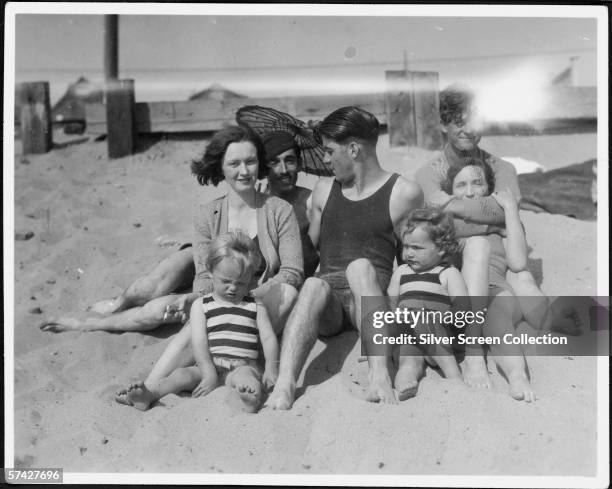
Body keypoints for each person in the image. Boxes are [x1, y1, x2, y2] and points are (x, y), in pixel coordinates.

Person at [39, 127, 309, 334]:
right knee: (156, 299)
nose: (244, 171)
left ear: (259, 163)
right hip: (217, 296)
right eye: (234, 164)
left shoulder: (277, 210)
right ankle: (93, 321)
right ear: (221, 168)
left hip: (257, 298)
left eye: (250, 162)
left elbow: (291, 272)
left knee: (160, 307)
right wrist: (201, 299)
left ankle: (99, 321)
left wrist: (244, 297)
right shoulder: (207, 214)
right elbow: (204, 277)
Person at [414, 82, 576, 388]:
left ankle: (549, 335)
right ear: (443, 124)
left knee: (522, 276)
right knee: (498, 261)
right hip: (457, 268)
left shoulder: (501, 168)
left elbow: (509, 212)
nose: (468, 130)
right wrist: (493, 218)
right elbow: (450, 221)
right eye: (459, 122)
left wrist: (454, 207)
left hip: (497, 268)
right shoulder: (428, 172)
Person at [266, 106, 424, 409]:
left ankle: (379, 377)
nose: (325, 160)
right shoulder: (324, 192)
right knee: (314, 285)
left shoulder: (403, 192)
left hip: (372, 299)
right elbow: (307, 255)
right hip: (330, 309)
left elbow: (414, 260)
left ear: (353, 149)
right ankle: (286, 384)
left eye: (329, 151)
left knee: (360, 267)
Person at [118, 231, 279, 412]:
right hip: (209, 365)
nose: (233, 288)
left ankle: (248, 399)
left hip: (242, 365)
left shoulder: (255, 305)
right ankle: (149, 394)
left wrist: (271, 368)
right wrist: (209, 373)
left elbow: (268, 338)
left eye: (241, 283)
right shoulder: (201, 305)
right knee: (180, 376)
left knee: (247, 378)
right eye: (226, 281)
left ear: (250, 279)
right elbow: (199, 342)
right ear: (210, 271)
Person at [447, 160, 536, 401]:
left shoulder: (504, 221)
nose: (470, 191)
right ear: (451, 192)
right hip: (459, 296)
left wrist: (510, 211)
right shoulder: (449, 221)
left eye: (477, 183)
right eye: (461, 185)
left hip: (495, 288)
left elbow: (518, 262)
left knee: (497, 318)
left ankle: (518, 377)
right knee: (477, 245)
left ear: (488, 188)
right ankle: (474, 356)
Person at [386, 208, 467, 400]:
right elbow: (391, 301)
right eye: (406, 247)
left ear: (441, 248)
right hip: (410, 336)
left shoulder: (447, 273)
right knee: (407, 361)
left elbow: (462, 307)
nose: (409, 253)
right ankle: (406, 381)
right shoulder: (401, 272)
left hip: (439, 337)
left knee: (425, 320)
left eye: (417, 248)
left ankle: (454, 377)